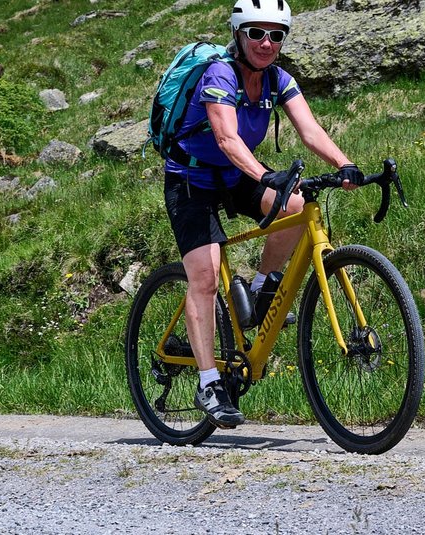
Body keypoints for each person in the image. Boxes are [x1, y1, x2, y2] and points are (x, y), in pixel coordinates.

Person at [164, 0, 363, 428]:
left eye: (276, 35)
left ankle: (261, 289)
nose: (267, 43)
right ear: (239, 34)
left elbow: (310, 130)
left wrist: (344, 165)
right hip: (191, 179)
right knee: (204, 273)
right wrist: (265, 175)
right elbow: (226, 138)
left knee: (293, 205)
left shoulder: (279, 79)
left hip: (235, 175)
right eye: (257, 33)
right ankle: (209, 383)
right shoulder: (220, 74)